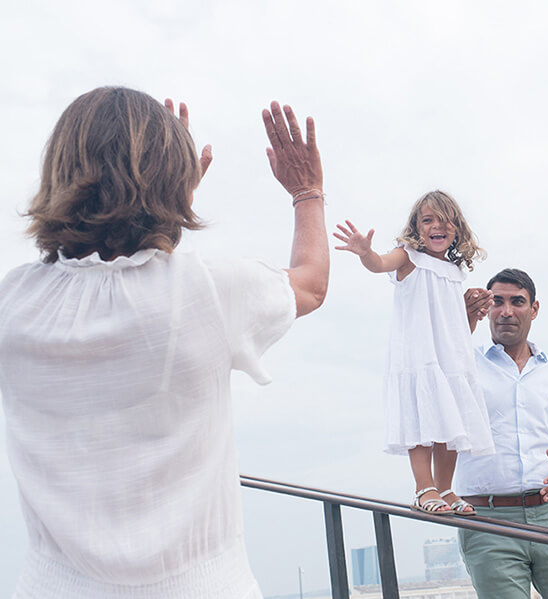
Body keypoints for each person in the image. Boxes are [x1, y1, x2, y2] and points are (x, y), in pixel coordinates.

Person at [0, 87, 329, 598]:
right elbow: (310, 283)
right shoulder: (211, 292)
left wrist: (165, 205)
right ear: (173, 179)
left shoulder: (11, 304)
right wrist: (306, 192)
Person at [333, 191, 493, 515]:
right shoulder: (407, 256)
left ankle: (446, 488)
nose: (437, 225)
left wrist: (472, 311)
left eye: (444, 219)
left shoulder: (455, 271)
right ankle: (424, 489)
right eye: (427, 219)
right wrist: (365, 253)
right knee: (422, 422)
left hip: (450, 357)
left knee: (452, 424)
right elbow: (379, 264)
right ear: (416, 228)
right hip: (418, 355)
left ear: (456, 228)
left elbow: (451, 323)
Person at [455, 268, 548, 599]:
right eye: (498, 302)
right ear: (486, 309)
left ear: (534, 309)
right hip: (488, 522)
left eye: (517, 302)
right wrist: (461, 322)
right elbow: (437, 380)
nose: (506, 311)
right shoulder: (462, 363)